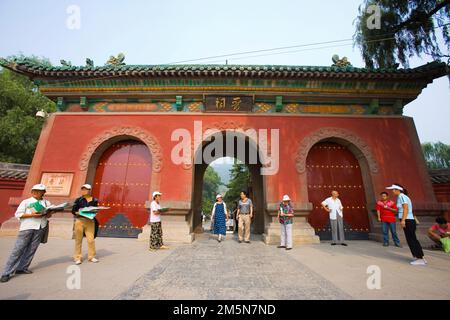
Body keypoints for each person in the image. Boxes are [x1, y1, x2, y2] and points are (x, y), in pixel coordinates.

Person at [1, 184, 53, 283]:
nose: (38, 193)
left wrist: (49, 213)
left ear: (44, 192)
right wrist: (31, 215)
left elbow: (48, 216)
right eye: (36, 191)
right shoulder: (26, 202)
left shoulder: (47, 202)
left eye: (40, 191)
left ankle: (22, 267)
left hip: (41, 227)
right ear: (32, 192)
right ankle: (6, 272)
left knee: (32, 248)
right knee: (18, 249)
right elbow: (18, 214)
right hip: (27, 227)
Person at [386, 184, 426, 266]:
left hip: (408, 220)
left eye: (393, 189)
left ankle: (420, 258)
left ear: (398, 190)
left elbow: (405, 208)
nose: (392, 191)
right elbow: (400, 210)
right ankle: (418, 256)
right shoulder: (401, 197)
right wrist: (389, 209)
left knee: (412, 239)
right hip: (407, 219)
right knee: (411, 238)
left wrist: (403, 220)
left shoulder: (402, 196)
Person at [72, 184, 99, 265]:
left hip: (90, 221)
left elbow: (95, 210)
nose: (84, 191)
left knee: (91, 240)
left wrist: (94, 212)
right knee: (78, 240)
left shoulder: (94, 200)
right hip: (80, 220)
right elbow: (73, 211)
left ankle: (91, 256)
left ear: (90, 190)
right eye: (83, 189)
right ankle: (77, 257)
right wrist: (80, 212)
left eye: (86, 189)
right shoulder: (78, 200)